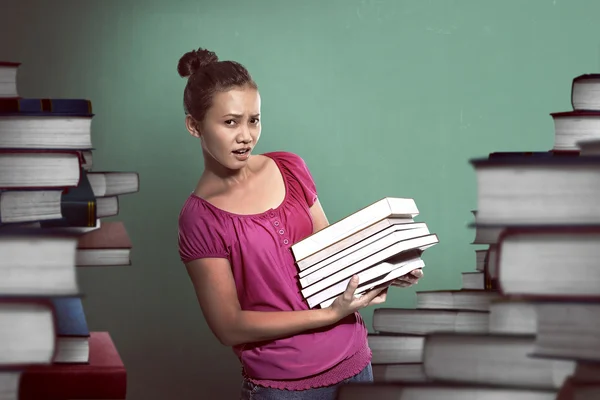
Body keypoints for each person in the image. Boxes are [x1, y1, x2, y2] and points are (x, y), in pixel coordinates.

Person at [177, 47, 424, 400]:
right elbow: (229, 326)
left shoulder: (289, 167)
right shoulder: (200, 218)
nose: (246, 135)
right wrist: (327, 316)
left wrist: (385, 265)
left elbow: (332, 254)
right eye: (230, 122)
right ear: (194, 125)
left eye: (254, 119)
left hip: (355, 362)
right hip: (285, 388)